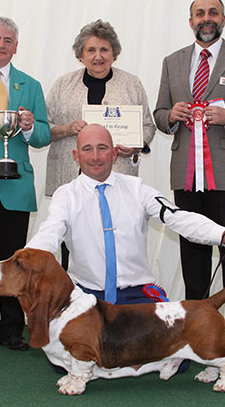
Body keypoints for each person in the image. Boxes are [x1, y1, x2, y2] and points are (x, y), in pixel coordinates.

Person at [26, 124, 225, 306]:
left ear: (114, 153)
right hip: (85, 297)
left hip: (137, 295)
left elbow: (178, 217)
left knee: (178, 361)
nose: (95, 156)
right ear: (76, 155)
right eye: (87, 149)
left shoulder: (137, 188)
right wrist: (26, 259)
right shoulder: (65, 195)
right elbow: (50, 232)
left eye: (103, 148)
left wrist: (221, 234)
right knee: (68, 362)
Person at [153, 0, 225, 355]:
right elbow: (158, 114)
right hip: (185, 173)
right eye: (199, 13)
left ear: (223, 18)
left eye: (212, 12)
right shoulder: (172, 62)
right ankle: (194, 327)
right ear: (190, 21)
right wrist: (172, 114)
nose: (206, 18)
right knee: (193, 251)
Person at [0, 17, 50, 353]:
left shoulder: (30, 85)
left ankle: (12, 329)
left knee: (16, 263)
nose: (1, 45)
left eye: (8, 41)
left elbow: (44, 135)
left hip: (14, 186)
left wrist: (30, 127)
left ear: (16, 46)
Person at [45, 19, 156, 270]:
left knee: (117, 245)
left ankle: (118, 304)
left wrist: (136, 144)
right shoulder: (63, 85)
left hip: (117, 179)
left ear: (114, 53)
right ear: (81, 55)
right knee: (71, 247)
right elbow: (43, 128)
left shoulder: (132, 84)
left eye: (104, 49)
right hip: (71, 181)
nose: (98, 56)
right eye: (91, 50)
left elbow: (148, 126)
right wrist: (66, 129)